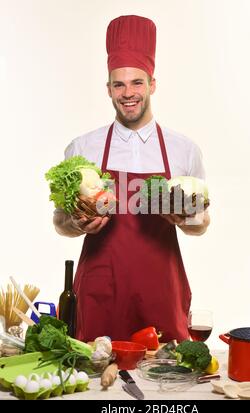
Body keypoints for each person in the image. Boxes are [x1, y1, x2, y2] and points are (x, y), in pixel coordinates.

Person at [53, 15, 210, 343]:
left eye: (137, 82)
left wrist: (184, 219)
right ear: (108, 88)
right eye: (119, 84)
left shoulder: (183, 149)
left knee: (165, 380)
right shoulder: (83, 148)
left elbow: (203, 222)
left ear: (152, 84)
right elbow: (60, 222)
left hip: (162, 292)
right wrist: (78, 225)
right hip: (101, 292)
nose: (128, 93)